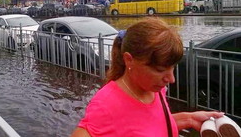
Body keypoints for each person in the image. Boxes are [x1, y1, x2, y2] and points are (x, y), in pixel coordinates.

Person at [71, 17, 224, 137]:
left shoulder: (155, 89)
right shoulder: (105, 106)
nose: (171, 79)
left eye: (173, 68)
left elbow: (151, 126)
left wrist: (188, 119)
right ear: (129, 60)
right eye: (159, 70)